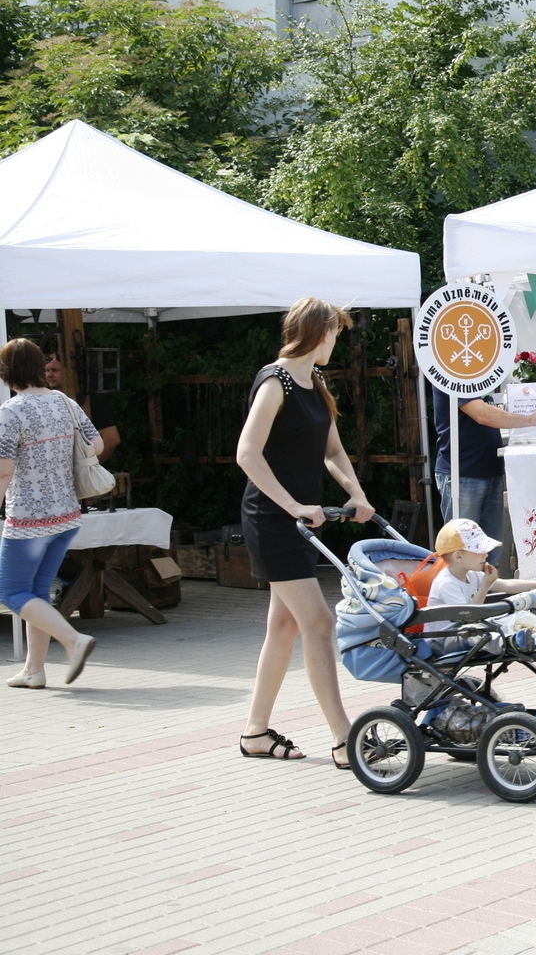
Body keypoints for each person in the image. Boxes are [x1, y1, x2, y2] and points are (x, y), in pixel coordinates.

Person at [235, 299, 374, 768]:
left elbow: (332, 450)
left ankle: (255, 732)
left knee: (284, 626)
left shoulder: (313, 382)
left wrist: (357, 494)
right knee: (318, 623)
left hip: (299, 519)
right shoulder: (275, 383)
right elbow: (247, 454)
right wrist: (293, 504)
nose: (337, 342)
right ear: (319, 333)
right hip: (272, 520)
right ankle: (343, 737)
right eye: (335, 333)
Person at [1, 339, 101, 689]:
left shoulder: (10, 412)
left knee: (11, 592)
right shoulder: (65, 402)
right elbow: (97, 446)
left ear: (6, 371)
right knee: (37, 591)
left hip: (29, 518)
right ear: (41, 367)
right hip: (67, 514)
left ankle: (73, 640)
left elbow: (3, 470)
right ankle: (34, 669)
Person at [431, 380, 536, 564]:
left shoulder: (478, 374)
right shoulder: (453, 374)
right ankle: (463, 594)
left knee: (490, 555)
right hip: (463, 474)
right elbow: (482, 414)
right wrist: (530, 419)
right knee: (461, 555)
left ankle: (486, 592)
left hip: (490, 471)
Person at [426, 518, 536, 608]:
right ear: (458, 557)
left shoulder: (471, 575)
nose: (486, 554)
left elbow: (507, 585)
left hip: (467, 635)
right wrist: (485, 585)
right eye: (479, 550)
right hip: (444, 641)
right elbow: (468, 617)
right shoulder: (446, 584)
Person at [44, 350, 120, 462]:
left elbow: (112, 438)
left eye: (55, 370)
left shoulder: (90, 400)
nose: (49, 375)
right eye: (47, 370)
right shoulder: (48, 401)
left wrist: (88, 467)